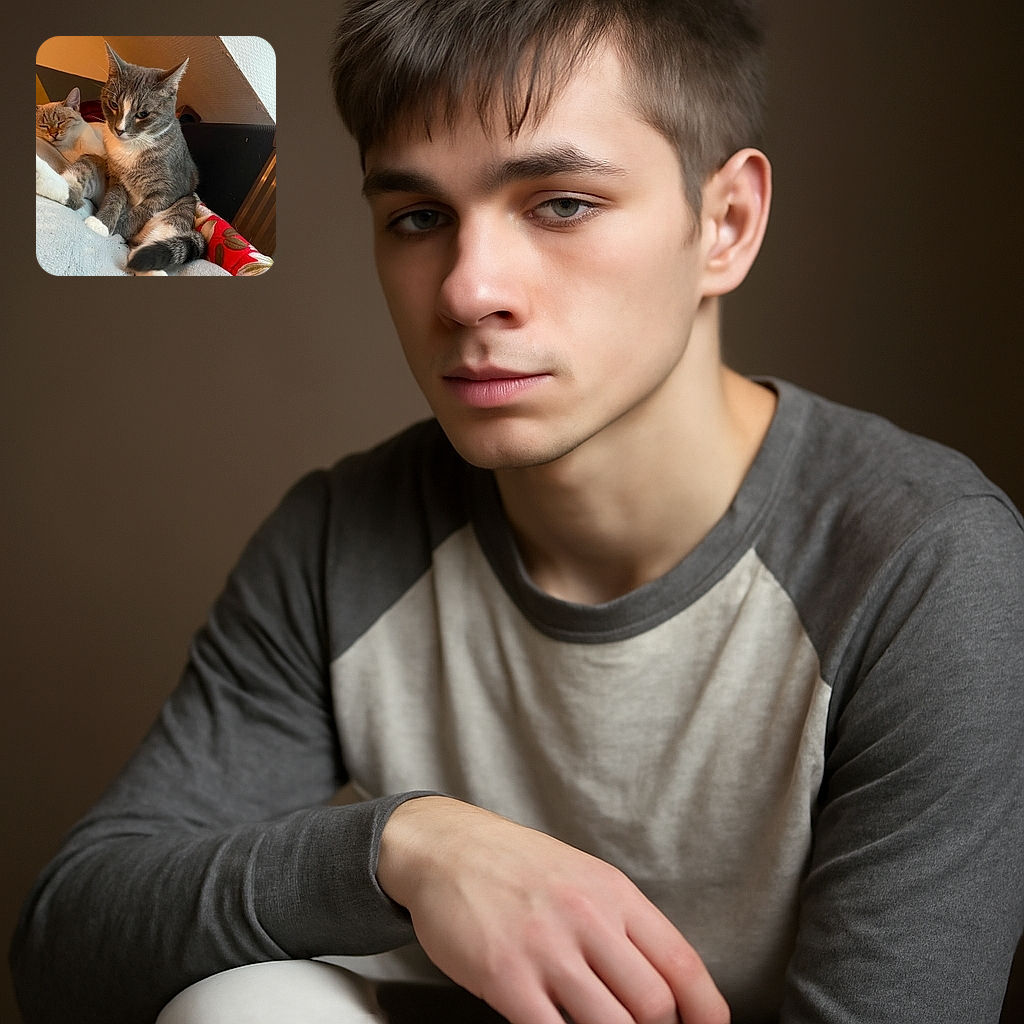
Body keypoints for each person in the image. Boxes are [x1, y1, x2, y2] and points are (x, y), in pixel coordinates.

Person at [10, 1, 1024, 1022]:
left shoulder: (926, 567)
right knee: (247, 1006)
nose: (467, 289)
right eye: (417, 217)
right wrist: (404, 846)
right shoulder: (337, 544)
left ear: (724, 225)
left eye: (562, 203)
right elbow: (67, 944)